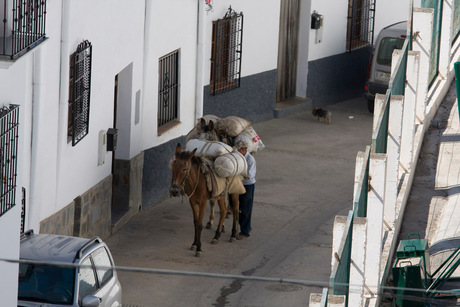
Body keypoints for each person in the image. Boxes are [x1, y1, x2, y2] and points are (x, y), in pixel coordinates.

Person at [236, 141, 256, 240]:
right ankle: (245, 227)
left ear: (244, 150)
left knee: (245, 209)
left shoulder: (250, 159)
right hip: (239, 184)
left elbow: (249, 175)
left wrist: (237, 174)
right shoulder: (239, 157)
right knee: (237, 207)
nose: (238, 152)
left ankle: (245, 232)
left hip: (248, 186)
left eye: (239, 150)